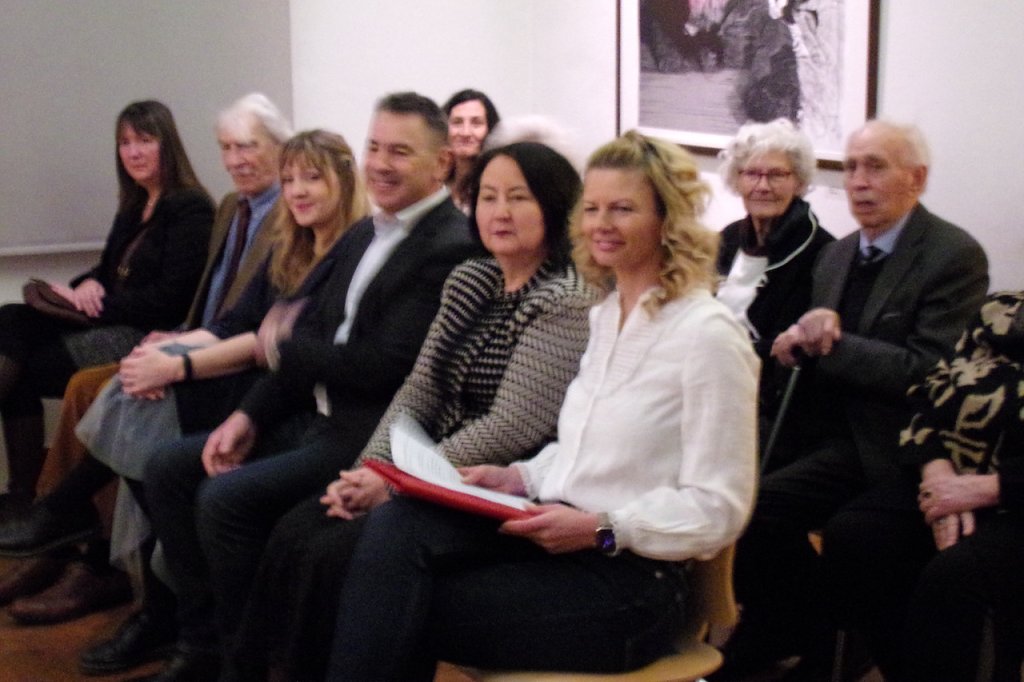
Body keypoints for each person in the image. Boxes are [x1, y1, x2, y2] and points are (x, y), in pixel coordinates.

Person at [326, 130, 758, 681]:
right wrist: (519, 477)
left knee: (400, 603)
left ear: (667, 221)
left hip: (633, 582)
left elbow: (720, 509)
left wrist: (603, 528)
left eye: (623, 209)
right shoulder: (608, 315)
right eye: (592, 208)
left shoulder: (708, 335)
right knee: (398, 526)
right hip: (561, 535)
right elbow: (587, 449)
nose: (601, 224)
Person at [140, 92, 482, 682]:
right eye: (374, 147)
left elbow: (383, 365)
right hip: (312, 416)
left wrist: (284, 347)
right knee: (169, 468)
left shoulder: (450, 246)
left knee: (225, 501)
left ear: (442, 162)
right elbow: (304, 332)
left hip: (366, 435)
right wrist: (248, 416)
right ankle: (201, 644)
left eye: (400, 152)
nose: (381, 163)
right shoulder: (365, 232)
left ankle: (245, 666)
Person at [231, 141, 598, 681]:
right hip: (419, 469)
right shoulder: (472, 278)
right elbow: (419, 387)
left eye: (518, 198)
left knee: (343, 552)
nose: (499, 212)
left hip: (493, 483)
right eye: (488, 197)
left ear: (554, 205)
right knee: (300, 528)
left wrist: (398, 481)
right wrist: (370, 469)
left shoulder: (566, 298)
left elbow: (512, 426)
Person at [0, 93, 292, 629]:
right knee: (17, 325)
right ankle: (66, 536)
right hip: (192, 338)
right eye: (227, 148)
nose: (236, 159)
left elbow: (242, 322)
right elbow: (202, 300)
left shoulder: (246, 212)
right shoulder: (229, 206)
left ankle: (85, 546)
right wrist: (95, 292)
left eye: (248, 146)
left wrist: (177, 355)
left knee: (102, 389)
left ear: (280, 148)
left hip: (229, 365)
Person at [711, 120, 990, 681]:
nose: (859, 181)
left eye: (876, 167)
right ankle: (788, 629)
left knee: (808, 525)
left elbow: (933, 373)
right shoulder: (837, 256)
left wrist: (832, 343)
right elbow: (815, 354)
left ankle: (816, 643)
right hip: (820, 430)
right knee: (731, 501)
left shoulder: (952, 254)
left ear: (917, 179)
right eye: (852, 167)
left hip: (895, 442)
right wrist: (793, 347)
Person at [0, 100, 214, 515]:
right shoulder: (136, 203)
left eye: (144, 141)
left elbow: (170, 300)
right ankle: (23, 496)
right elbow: (109, 269)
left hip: (143, 336)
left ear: (167, 145)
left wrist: (98, 305)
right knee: (9, 318)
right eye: (125, 143)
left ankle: (29, 500)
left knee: (20, 367)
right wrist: (86, 285)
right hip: (109, 320)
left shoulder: (191, 208)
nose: (133, 152)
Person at [823, 291, 1024, 681]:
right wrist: (937, 474)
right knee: (857, 537)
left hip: (1015, 500)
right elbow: (929, 393)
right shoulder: (999, 308)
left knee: (957, 576)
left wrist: (993, 488)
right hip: (952, 476)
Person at [716, 118, 833, 464]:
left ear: (799, 181)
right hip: (710, 381)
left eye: (777, 175)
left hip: (766, 404)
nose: (763, 186)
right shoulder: (727, 239)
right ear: (737, 180)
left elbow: (792, 349)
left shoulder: (822, 252)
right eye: (752, 174)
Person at [442, 88, 500, 210]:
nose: (466, 132)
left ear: (490, 129)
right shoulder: (434, 183)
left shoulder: (496, 185)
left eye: (476, 123)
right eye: (457, 122)